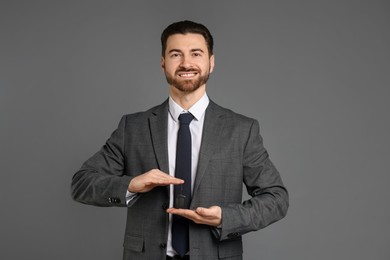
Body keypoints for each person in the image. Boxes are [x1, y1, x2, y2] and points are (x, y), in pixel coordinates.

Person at [71, 20, 288, 260]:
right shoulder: (133, 127)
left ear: (211, 62)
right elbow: (81, 184)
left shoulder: (241, 129)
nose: (186, 63)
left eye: (196, 53)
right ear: (163, 63)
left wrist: (226, 217)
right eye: (176, 54)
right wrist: (131, 184)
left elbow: (276, 199)